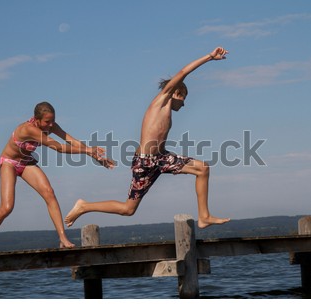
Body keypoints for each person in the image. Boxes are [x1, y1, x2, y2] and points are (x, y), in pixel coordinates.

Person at [65, 47, 230, 229]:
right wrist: (209, 57)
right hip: (144, 161)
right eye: (183, 98)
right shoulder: (162, 100)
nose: (184, 104)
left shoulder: (168, 111)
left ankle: (204, 216)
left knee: (202, 168)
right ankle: (84, 206)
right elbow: (184, 72)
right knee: (128, 209)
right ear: (176, 92)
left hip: (161, 159)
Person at [0, 102, 115, 254]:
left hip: (26, 162)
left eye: (53, 120)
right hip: (9, 163)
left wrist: (92, 154)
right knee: (7, 207)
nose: (51, 124)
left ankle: (62, 238)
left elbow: (70, 140)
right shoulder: (28, 129)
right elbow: (59, 148)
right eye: (47, 121)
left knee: (49, 192)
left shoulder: (51, 126)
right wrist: (88, 151)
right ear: (37, 119)